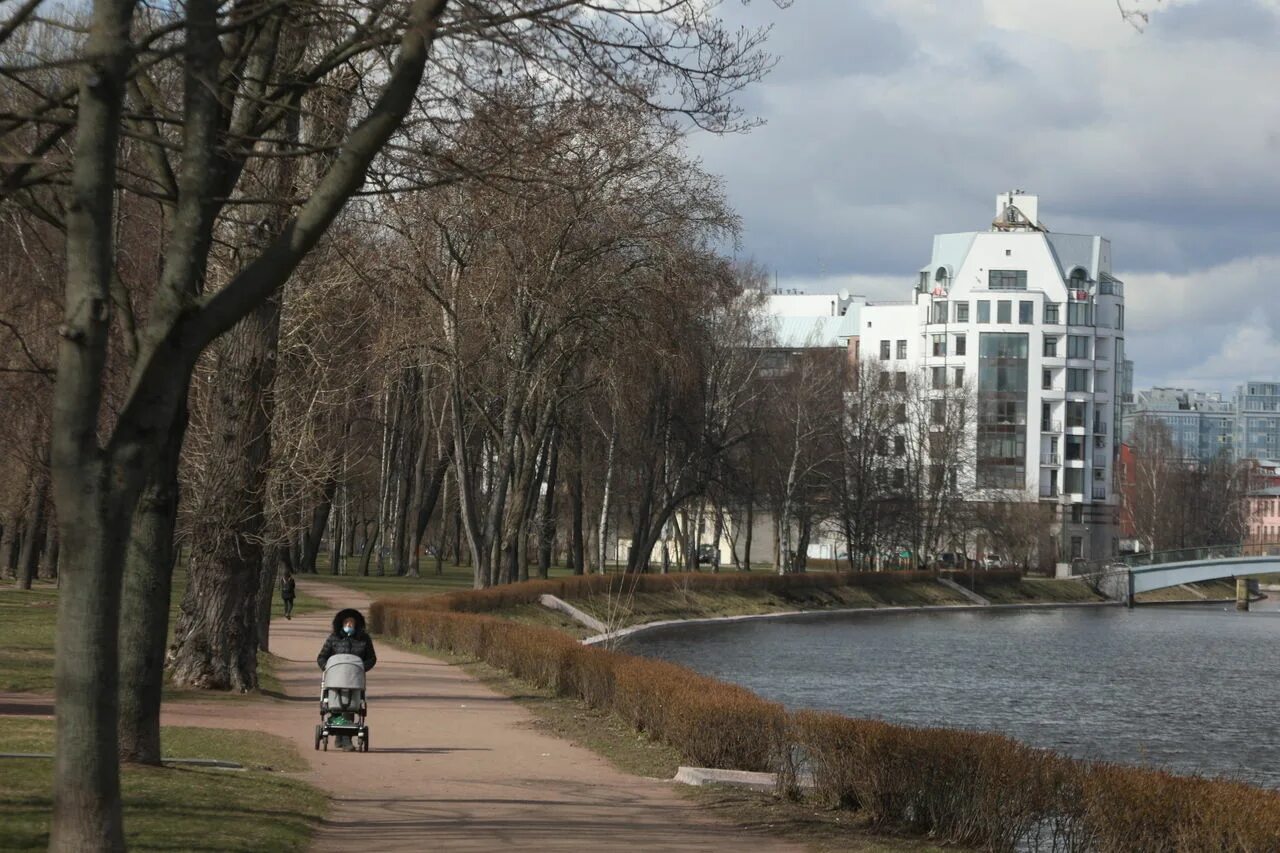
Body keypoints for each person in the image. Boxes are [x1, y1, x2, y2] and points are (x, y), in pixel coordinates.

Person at [317, 609, 377, 751]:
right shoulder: (334, 638)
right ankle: (343, 738)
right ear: (341, 623)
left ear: (357, 624)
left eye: (351, 622)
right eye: (346, 622)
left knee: (350, 705)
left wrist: (362, 668)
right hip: (336, 679)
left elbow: (372, 658)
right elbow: (322, 657)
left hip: (354, 679)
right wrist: (327, 668)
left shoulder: (364, 639)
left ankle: (345, 739)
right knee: (337, 703)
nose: (349, 624)